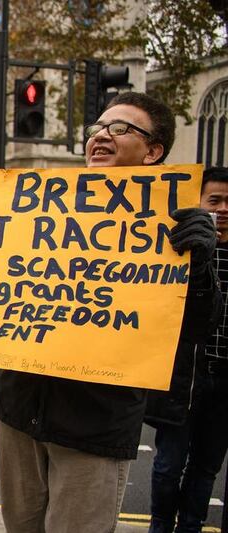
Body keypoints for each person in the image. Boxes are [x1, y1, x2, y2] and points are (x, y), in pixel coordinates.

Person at [0, 91, 221, 533]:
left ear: (153, 151)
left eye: (121, 129)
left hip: (94, 426)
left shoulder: (173, 221)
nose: (102, 136)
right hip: (18, 413)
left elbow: (197, 326)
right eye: (98, 127)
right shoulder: (36, 205)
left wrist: (198, 260)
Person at [145, 166, 228, 533]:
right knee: (168, 465)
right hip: (184, 377)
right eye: (215, 200)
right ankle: (161, 525)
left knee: (206, 467)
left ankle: (190, 526)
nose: (223, 208)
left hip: (224, 381)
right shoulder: (180, 250)